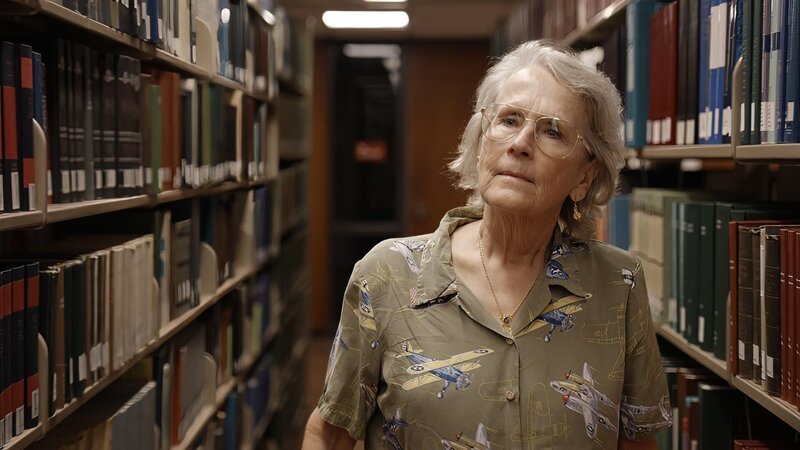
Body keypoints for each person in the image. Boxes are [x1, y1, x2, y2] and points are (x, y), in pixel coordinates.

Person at [303, 40, 670, 450]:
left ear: (584, 177)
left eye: (552, 131)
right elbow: (328, 435)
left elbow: (637, 442)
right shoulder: (386, 275)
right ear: (481, 144)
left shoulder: (620, 284)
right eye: (509, 120)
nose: (520, 143)